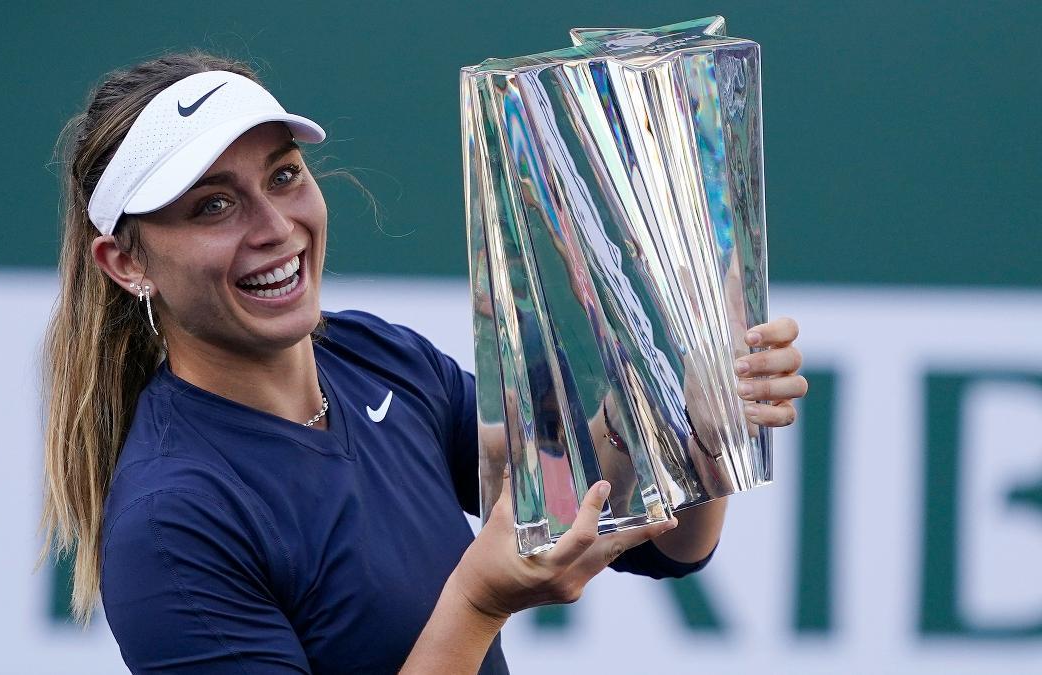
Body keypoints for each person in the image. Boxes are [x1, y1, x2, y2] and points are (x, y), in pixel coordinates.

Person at [40, 51, 808, 674]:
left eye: (283, 175)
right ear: (125, 263)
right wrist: (476, 602)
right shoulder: (172, 523)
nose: (275, 226)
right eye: (213, 205)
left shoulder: (375, 358)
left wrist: (695, 424)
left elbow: (625, 520)